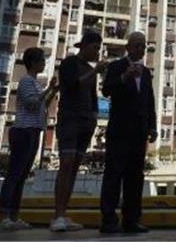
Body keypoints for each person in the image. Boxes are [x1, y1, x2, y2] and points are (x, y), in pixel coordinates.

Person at [100, 31, 158, 234]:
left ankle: (131, 219)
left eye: (143, 46)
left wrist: (152, 126)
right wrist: (125, 77)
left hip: (139, 132)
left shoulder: (146, 72)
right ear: (128, 47)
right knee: (114, 174)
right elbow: (106, 90)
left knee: (135, 177)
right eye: (137, 45)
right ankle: (108, 219)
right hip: (119, 130)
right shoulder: (117, 66)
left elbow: (149, 100)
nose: (140, 49)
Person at [50, 29, 104, 232]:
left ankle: (64, 213)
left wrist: (94, 117)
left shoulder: (90, 69)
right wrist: (94, 71)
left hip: (85, 122)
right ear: (84, 46)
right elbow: (72, 85)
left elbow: (92, 96)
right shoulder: (69, 64)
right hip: (70, 118)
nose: (97, 52)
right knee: (66, 164)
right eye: (95, 48)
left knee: (74, 168)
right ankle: (57, 215)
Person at [0, 47, 57, 230]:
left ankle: (14, 216)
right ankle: (4, 215)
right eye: (41, 60)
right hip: (24, 130)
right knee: (14, 174)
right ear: (32, 62)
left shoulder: (35, 83)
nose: (44, 63)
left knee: (22, 175)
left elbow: (42, 105)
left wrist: (52, 91)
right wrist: (47, 88)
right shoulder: (25, 81)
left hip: (33, 130)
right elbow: (32, 103)